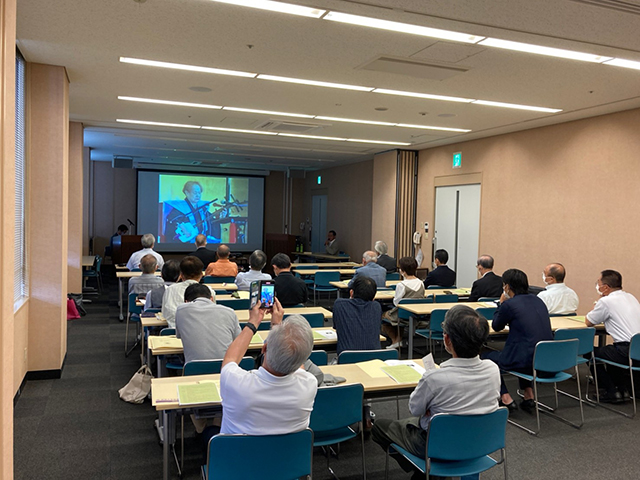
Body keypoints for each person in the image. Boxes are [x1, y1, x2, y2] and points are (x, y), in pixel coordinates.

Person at [372, 305, 500, 476]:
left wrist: (430, 408)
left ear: (447, 340)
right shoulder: (493, 369)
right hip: (480, 442)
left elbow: (415, 409)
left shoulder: (434, 378)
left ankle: (423, 470)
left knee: (379, 427)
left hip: (437, 444)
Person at [220, 298, 318, 435]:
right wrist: (276, 326)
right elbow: (295, 357)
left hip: (239, 450)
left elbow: (230, 359)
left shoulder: (236, 383)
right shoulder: (309, 384)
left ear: (264, 348)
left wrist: (253, 323)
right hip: (287, 450)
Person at [483, 269, 553, 412]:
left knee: (486, 357)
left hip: (524, 360)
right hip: (545, 360)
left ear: (507, 287)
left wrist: (501, 303)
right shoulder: (538, 300)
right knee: (526, 348)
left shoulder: (509, 304)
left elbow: (496, 326)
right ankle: (528, 395)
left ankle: (505, 397)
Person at [585, 270, 640, 403]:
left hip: (626, 351)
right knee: (610, 351)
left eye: (598, 283)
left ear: (605, 287)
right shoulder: (630, 297)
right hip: (636, 350)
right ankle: (622, 389)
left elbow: (589, 321)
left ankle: (611, 390)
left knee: (588, 352)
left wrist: (598, 302)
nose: (597, 286)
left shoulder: (606, 301)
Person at [175, 283, 241, 364]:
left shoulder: (181, 310)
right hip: (226, 366)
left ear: (186, 302)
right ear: (212, 298)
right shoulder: (229, 311)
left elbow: (179, 335)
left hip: (194, 367)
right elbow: (238, 339)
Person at [381, 257, 425, 349]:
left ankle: (395, 340)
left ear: (403, 271)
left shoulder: (401, 285)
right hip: (416, 315)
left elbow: (397, 302)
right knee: (398, 318)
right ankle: (398, 340)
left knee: (384, 316)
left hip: (401, 315)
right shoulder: (421, 283)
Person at [333, 276, 382, 355]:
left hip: (347, 357)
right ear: (373, 297)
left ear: (351, 292)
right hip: (374, 357)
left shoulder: (339, 304)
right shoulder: (376, 307)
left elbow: (336, 327)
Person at [162, 256, 206, 328]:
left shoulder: (170, 290)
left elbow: (165, 314)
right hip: (202, 332)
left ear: (181, 275)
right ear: (201, 275)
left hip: (174, 332)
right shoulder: (209, 291)